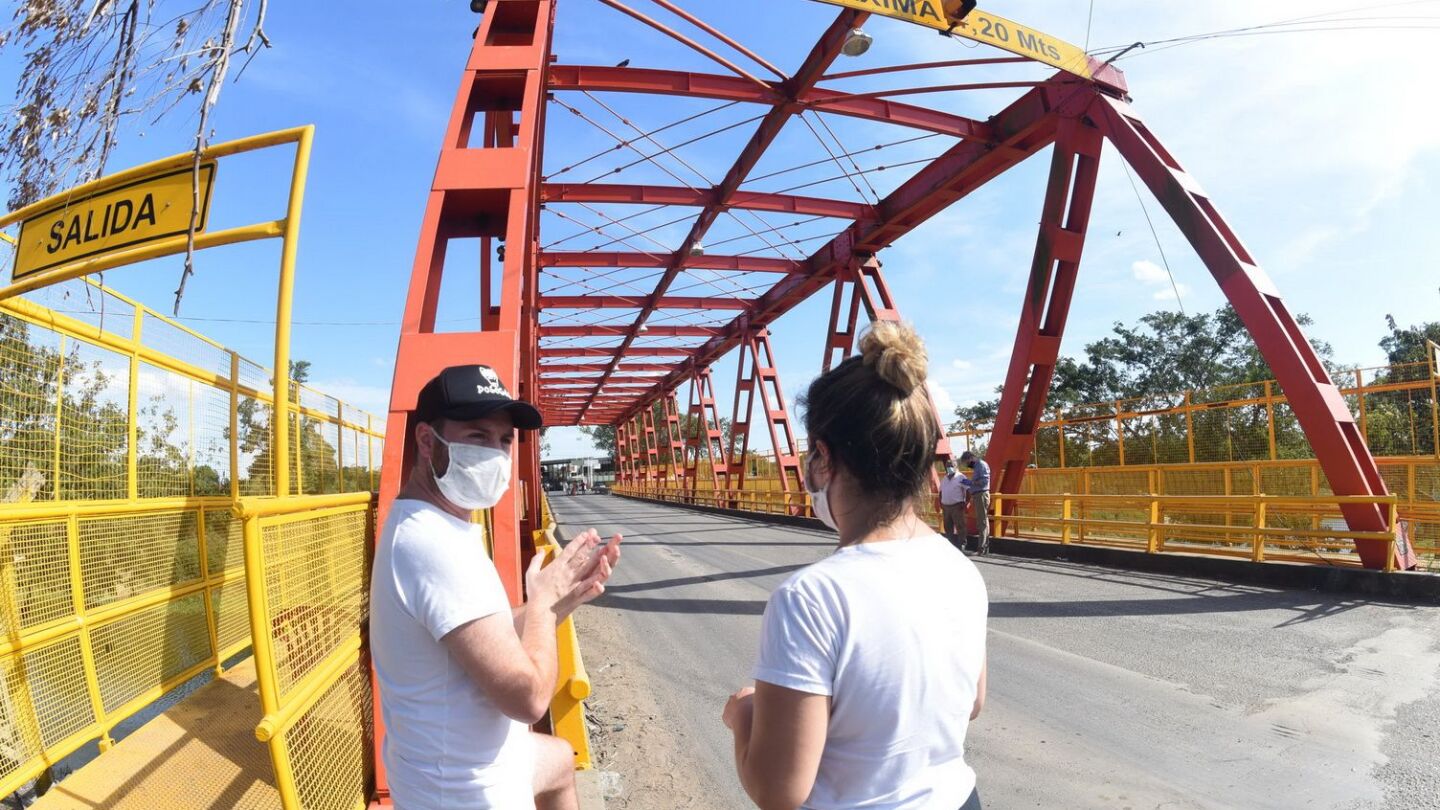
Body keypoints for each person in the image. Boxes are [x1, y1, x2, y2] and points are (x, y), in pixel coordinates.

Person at [723, 322, 989, 810]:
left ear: (823, 457)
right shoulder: (960, 568)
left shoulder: (811, 597)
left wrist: (744, 715)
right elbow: (971, 703)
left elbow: (778, 791)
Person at [370, 364, 623, 810]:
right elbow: (527, 699)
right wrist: (542, 608)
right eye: (477, 437)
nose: (497, 454)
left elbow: (484, 635)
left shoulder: (436, 526)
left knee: (559, 758)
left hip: (453, 766)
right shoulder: (433, 546)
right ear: (428, 441)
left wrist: (561, 598)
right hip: (464, 794)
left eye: (505, 440)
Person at [959, 450, 991, 555]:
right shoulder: (978, 466)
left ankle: (981, 548)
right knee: (983, 521)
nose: (967, 465)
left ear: (970, 458)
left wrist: (971, 482)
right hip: (978, 495)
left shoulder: (981, 465)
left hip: (981, 494)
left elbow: (984, 482)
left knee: (982, 522)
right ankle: (984, 547)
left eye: (966, 462)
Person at [939, 462, 969, 551]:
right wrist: (940, 502)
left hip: (957, 506)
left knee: (960, 526)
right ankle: (950, 545)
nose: (949, 468)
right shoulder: (944, 478)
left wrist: (966, 502)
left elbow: (969, 489)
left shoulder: (962, 477)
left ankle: (962, 544)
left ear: (956, 466)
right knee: (947, 526)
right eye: (948, 466)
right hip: (946, 507)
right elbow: (940, 492)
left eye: (951, 466)